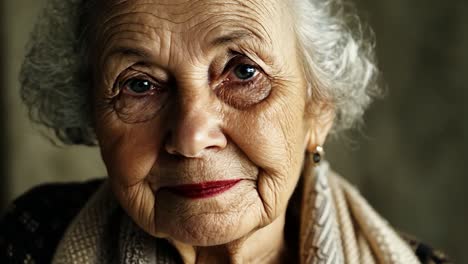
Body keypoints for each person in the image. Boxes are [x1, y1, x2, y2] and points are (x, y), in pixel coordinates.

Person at [0, 0, 451, 263]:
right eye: (139, 84)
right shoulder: (31, 239)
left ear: (317, 109)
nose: (192, 136)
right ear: (94, 116)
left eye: (243, 72)